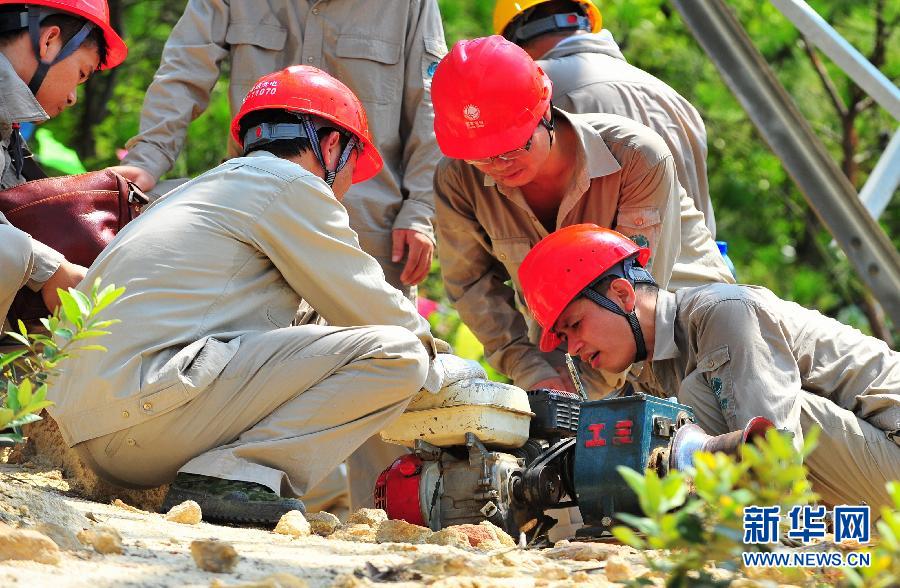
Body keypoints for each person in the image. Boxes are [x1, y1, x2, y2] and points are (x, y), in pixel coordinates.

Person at [49, 66, 454, 525]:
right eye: (352, 171)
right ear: (333, 146)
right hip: (144, 418)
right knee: (399, 353)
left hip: (91, 435)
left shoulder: (198, 191)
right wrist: (454, 369)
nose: (346, 191)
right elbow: (374, 310)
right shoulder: (287, 184)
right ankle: (233, 476)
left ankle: (219, 475)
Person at [431, 35, 733, 400]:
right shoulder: (457, 181)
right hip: (576, 352)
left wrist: (579, 401)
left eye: (511, 148)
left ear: (543, 113)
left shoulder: (636, 156)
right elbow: (472, 286)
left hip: (689, 345)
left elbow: (637, 295)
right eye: (479, 156)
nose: (496, 166)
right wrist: (532, 371)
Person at [519, 224, 900, 509]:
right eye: (564, 339)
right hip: (868, 477)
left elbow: (775, 456)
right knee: (647, 426)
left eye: (574, 325)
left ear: (622, 294)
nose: (573, 347)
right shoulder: (648, 373)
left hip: (891, 444)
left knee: (703, 414)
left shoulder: (723, 312)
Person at [110, 0, 446, 295]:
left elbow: (429, 105)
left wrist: (419, 210)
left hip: (365, 226)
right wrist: (147, 160)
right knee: (246, 351)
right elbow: (185, 70)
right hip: (251, 217)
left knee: (384, 351)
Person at [493, 0, 716, 237]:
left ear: (513, 43)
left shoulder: (534, 89)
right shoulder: (675, 99)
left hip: (609, 270)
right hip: (704, 270)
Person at [0, 0, 126, 330]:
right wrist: (52, 269)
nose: (73, 97)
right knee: (9, 250)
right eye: (81, 74)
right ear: (49, 41)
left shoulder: (8, 133)